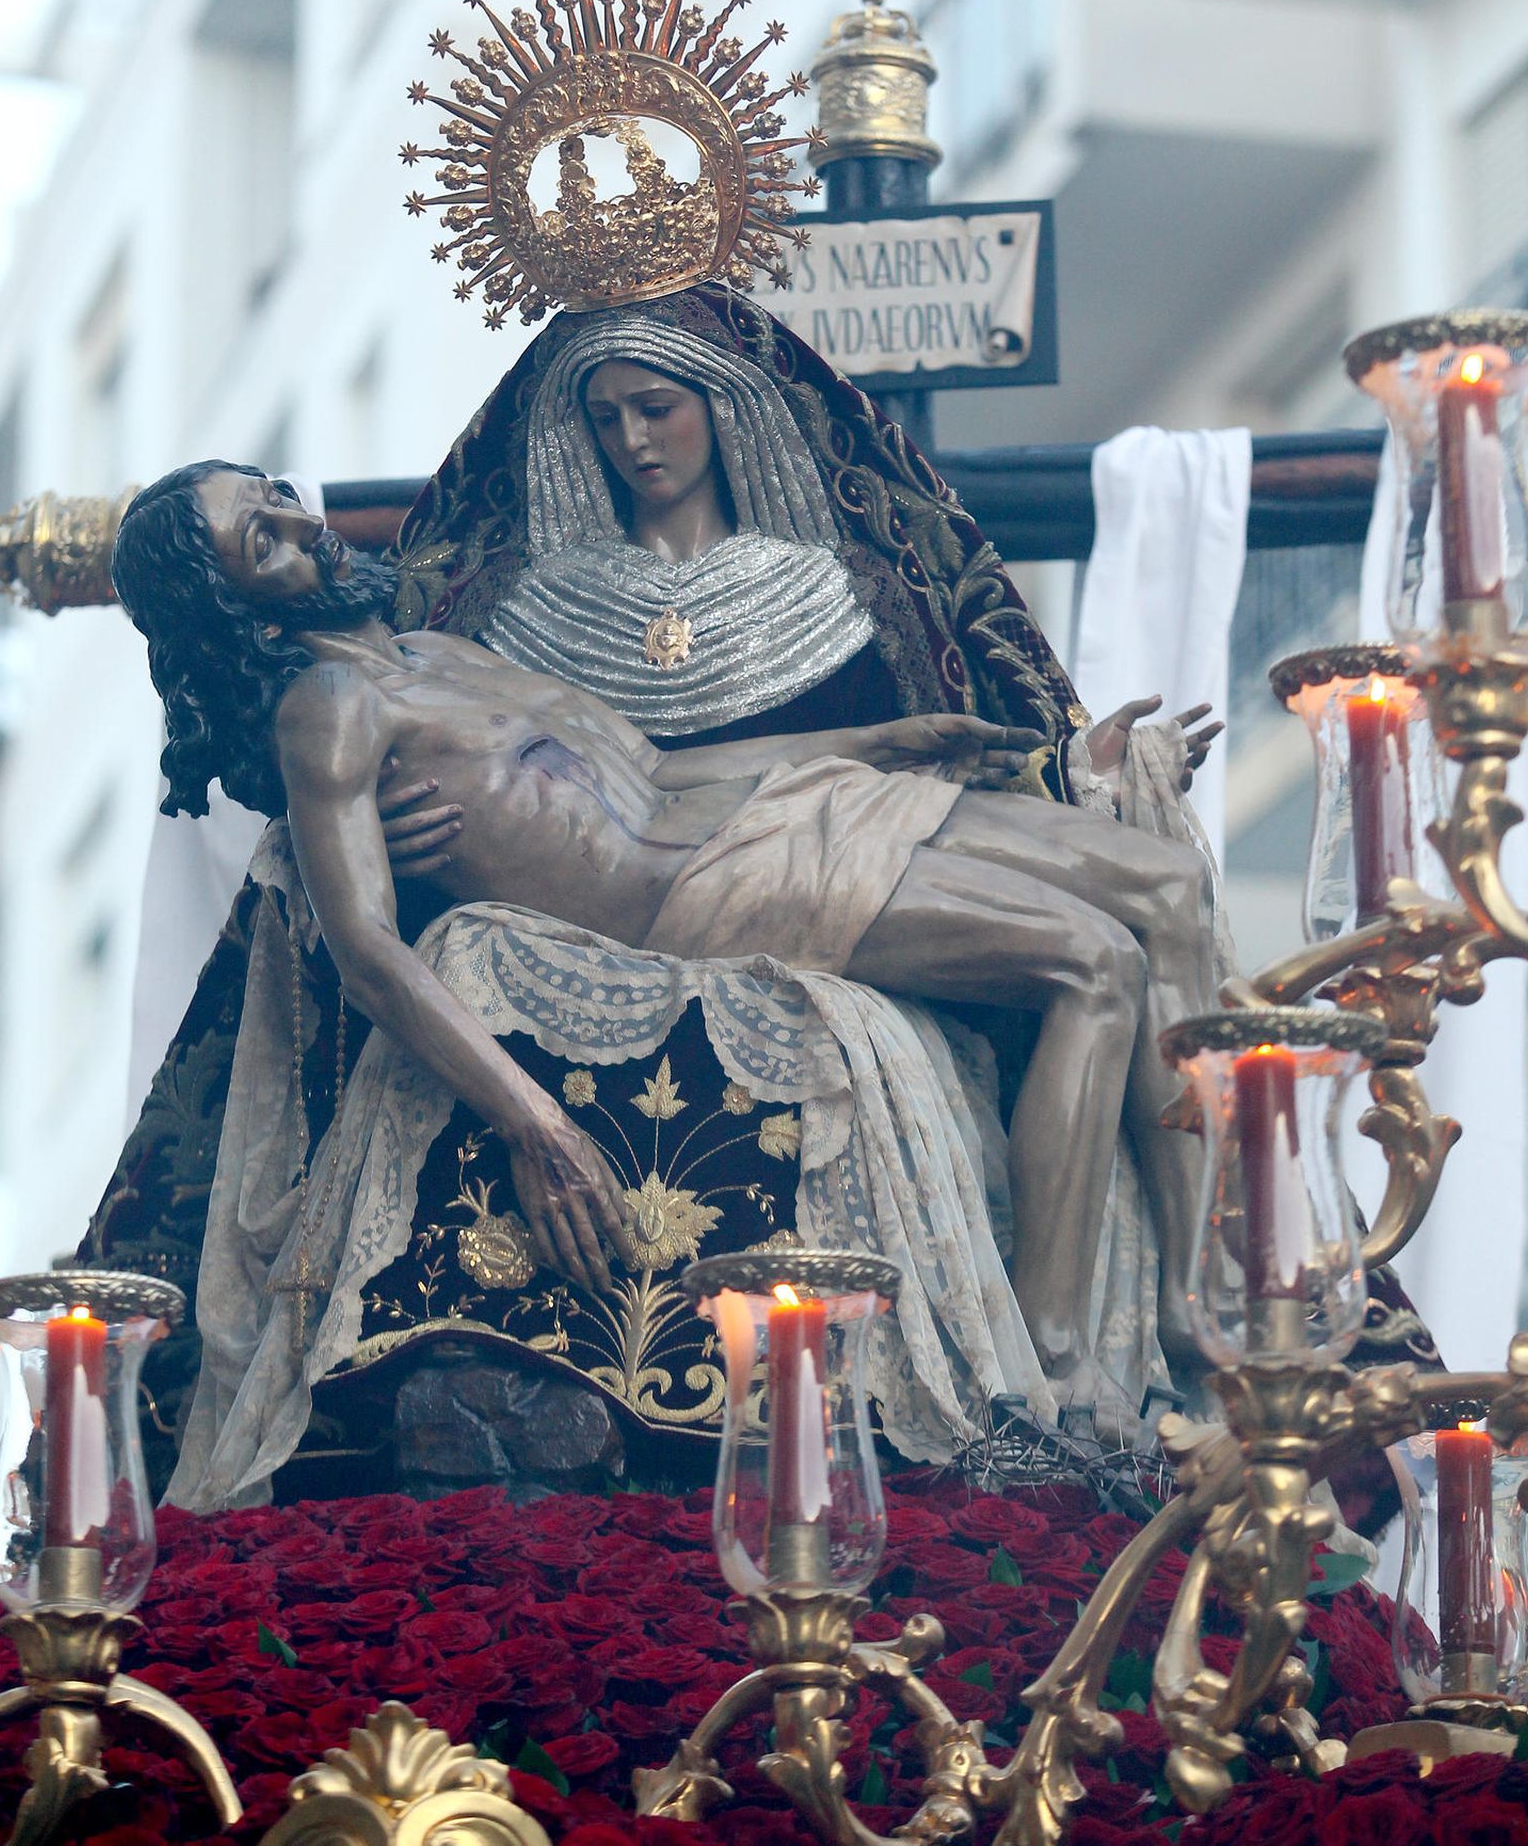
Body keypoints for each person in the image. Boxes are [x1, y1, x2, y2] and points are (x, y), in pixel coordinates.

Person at [109, 457, 1227, 1504]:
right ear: (236, 611)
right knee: (1094, 963)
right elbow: (364, 950)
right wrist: (536, 1125)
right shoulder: (327, 707)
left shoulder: (433, 653)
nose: (302, 524)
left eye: (277, 496)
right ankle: (1050, 1374)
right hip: (704, 894)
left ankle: (1205, 1305)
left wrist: (875, 742)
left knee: (1168, 885)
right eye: (263, 540)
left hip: (766, 816)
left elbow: (653, 769)